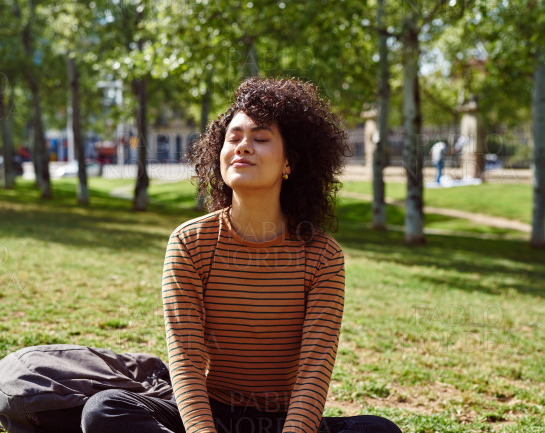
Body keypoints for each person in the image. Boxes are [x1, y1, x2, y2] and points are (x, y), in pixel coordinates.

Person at [80, 78, 401, 433]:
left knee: (379, 430)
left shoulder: (323, 254)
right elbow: (186, 360)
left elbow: (314, 369)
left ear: (289, 163)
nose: (243, 147)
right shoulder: (190, 242)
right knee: (104, 410)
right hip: (209, 414)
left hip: (285, 421)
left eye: (261, 139)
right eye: (233, 138)